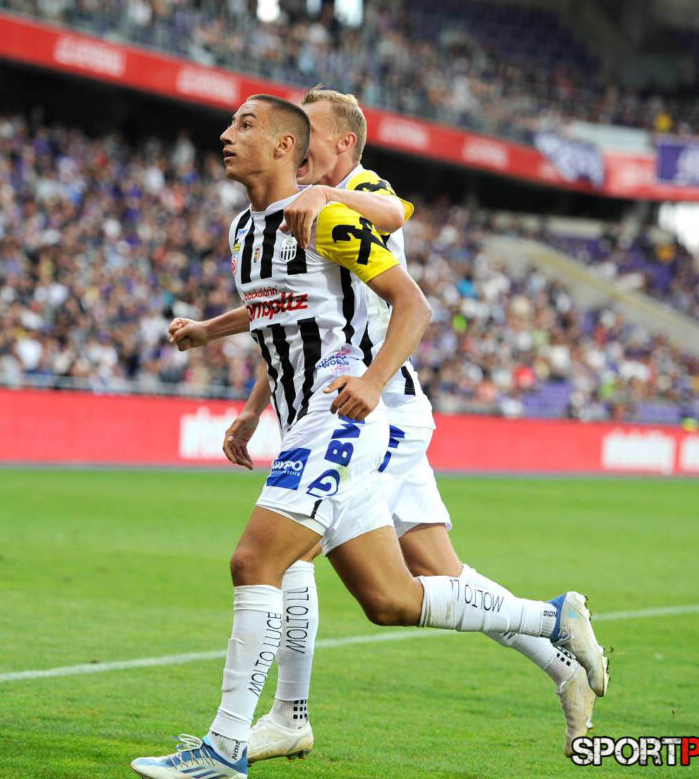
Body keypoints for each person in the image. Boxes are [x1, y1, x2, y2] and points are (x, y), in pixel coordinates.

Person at [131, 94, 606, 779]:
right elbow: (280, 314)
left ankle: (232, 743)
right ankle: (551, 619)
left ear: (296, 146)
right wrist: (224, 354)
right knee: (390, 598)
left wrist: (374, 381)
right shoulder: (244, 230)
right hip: (311, 418)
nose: (226, 134)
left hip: (350, 416)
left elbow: (410, 288)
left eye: (246, 125)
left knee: (260, 560)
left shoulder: (338, 208)